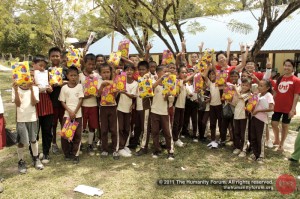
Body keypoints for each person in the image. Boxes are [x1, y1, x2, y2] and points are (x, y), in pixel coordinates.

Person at [12, 80, 43, 173]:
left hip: (32, 118)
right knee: (21, 141)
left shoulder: (35, 88)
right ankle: (21, 161)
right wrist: (16, 90)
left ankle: (36, 158)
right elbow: (18, 104)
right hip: (21, 119)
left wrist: (32, 89)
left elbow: (34, 103)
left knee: (33, 139)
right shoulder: (15, 88)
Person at [271, 59, 300, 152]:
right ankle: (277, 139)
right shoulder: (280, 78)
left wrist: (293, 109)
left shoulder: (296, 80)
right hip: (277, 106)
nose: (287, 67)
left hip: (288, 108)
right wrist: (270, 102)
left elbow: (296, 96)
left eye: (289, 66)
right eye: (285, 65)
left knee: (285, 126)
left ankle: (281, 144)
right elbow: (275, 92)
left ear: (293, 68)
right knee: (274, 123)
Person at [59, 66, 84, 164]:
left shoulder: (80, 87)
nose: (73, 77)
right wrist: (69, 111)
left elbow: (81, 100)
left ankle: (76, 154)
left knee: (77, 135)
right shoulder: (64, 88)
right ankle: (67, 153)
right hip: (67, 115)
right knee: (65, 135)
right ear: (67, 76)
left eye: (75, 75)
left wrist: (75, 112)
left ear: (78, 76)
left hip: (78, 115)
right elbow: (62, 101)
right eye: (71, 75)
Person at [79, 53, 101, 156]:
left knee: (92, 126)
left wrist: (96, 93)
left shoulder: (97, 76)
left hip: (93, 105)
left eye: (93, 64)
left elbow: (99, 90)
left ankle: (90, 144)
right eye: (89, 64)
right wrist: (84, 96)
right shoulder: (80, 76)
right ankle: (78, 144)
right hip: (82, 105)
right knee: (81, 126)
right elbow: (77, 90)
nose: (91, 66)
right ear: (84, 64)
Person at [33, 55, 54, 164]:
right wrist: (35, 85)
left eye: (44, 66)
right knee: (34, 133)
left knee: (47, 131)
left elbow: (51, 89)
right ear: (34, 65)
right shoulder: (27, 76)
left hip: (47, 107)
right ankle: (34, 155)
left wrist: (50, 89)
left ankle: (46, 152)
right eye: (40, 65)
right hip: (34, 108)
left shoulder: (48, 75)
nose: (42, 68)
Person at [151, 65, 174, 160]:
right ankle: (157, 150)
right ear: (158, 73)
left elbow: (166, 99)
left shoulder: (169, 83)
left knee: (167, 133)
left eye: (167, 71)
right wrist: (161, 79)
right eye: (164, 71)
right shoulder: (153, 82)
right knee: (155, 131)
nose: (167, 73)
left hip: (164, 112)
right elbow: (151, 88)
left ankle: (170, 151)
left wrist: (168, 94)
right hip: (154, 111)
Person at [249, 79, 274, 163]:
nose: (259, 87)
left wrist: (258, 111)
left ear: (267, 88)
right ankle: (255, 153)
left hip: (261, 119)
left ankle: (261, 155)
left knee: (260, 138)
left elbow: (271, 108)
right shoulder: (258, 94)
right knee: (253, 136)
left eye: (261, 86)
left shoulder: (268, 95)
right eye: (259, 85)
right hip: (254, 118)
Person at [98, 63, 119, 160]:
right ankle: (104, 149)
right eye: (104, 72)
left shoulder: (114, 82)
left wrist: (114, 86)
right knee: (104, 129)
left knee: (114, 129)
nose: (106, 74)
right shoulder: (99, 82)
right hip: (103, 108)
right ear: (100, 74)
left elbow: (116, 92)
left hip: (113, 107)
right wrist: (102, 86)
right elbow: (98, 95)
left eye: (107, 72)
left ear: (111, 73)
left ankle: (115, 149)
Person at [131, 61, 152, 156]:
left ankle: (144, 147)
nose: (141, 71)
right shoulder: (139, 79)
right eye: (139, 69)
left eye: (143, 69)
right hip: (138, 107)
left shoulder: (150, 79)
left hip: (146, 107)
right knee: (138, 127)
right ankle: (135, 143)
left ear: (147, 70)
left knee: (145, 128)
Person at [117, 64, 138, 157]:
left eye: (131, 70)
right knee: (120, 128)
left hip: (128, 109)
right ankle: (120, 148)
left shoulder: (135, 83)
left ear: (134, 72)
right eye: (127, 70)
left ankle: (125, 145)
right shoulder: (121, 81)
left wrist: (123, 91)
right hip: (119, 108)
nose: (129, 71)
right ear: (124, 71)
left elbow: (133, 96)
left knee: (127, 128)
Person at [48, 47, 65, 154]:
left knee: (64, 123)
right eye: (53, 56)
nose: (55, 58)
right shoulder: (46, 71)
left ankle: (66, 142)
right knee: (53, 125)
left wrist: (63, 82)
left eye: (57, 56)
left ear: (61, 57)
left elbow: (73, 81)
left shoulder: (66, 70)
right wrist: (50, 86)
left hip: (64, 103)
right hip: (52, 102)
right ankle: (54, 143)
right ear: (49, 58)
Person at [231, 78, 251, 157]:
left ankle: (244, 149)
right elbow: (234, 102)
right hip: (236, 115)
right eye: (243, 85)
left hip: (244, 116)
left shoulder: (249, 94)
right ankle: (237, 147)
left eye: (246, 85)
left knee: (244, 134)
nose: (244, 87)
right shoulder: (238, 92)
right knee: (236, 132)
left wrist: (236, 89)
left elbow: (241, 97)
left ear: (249, 87)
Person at [203, 68, 222, 149]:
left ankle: (222, 139)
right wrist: (208, 65)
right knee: (213, 124)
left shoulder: (220, 83)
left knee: (221, 124)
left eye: (214, 74)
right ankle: (213, 140)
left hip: (220, 106)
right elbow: (204, 75)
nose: (212, 75)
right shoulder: (210, 84)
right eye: (211, 74)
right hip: (212, 106)